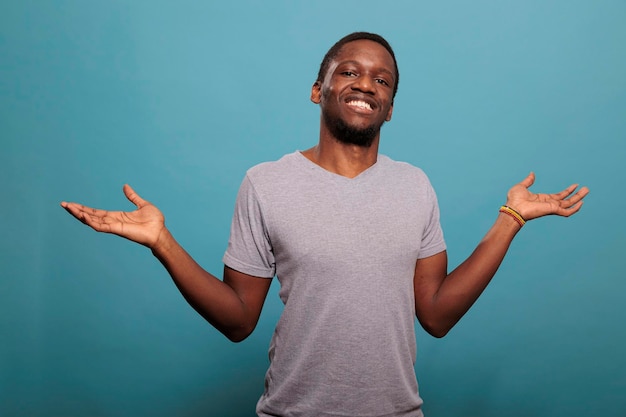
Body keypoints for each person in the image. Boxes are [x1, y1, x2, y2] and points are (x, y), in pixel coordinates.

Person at [61, 32, 589, 417]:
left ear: (390, 109)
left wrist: (511, 219)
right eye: (350, 71)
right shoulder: (265, 183)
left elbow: (436, 314)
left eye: (382, 79)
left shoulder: (415, 186)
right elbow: (239, 319)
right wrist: (162, 242)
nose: (367, 83)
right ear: (319, 90)